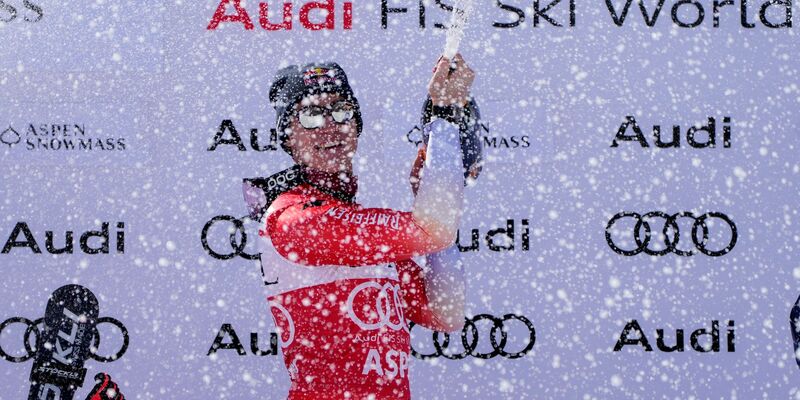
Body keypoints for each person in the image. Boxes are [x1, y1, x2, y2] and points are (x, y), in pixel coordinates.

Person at [243, 54, 477, 399]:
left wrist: (426, 196)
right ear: (288, 138)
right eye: (309, 115)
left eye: (341, 111)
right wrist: (442, 118)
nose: (330, 126)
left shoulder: (353, 223)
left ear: (356, 125)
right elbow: (434, 228)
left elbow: (447, 312)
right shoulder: (293, 217)